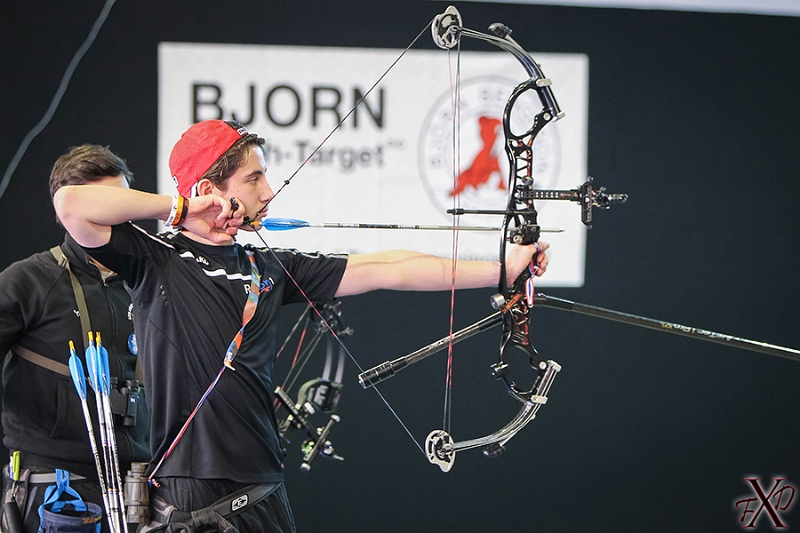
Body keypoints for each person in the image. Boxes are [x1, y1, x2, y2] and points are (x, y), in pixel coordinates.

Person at [53, 120, 549, 533]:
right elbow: (72, 205)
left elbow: (388, 268)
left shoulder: (266, 266)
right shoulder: (156, 259)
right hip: (190, 491)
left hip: (264, 487)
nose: (268, 192)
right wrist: (181, 208)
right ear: (209, 190)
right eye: (253, 179)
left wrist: (503, 269)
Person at [0, 145, 151, 532]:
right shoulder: (30, 280)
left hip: (138, 489)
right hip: (55, 491)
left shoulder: (146, 284)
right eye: (106, 203)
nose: (121, 216)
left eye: (125, 203)